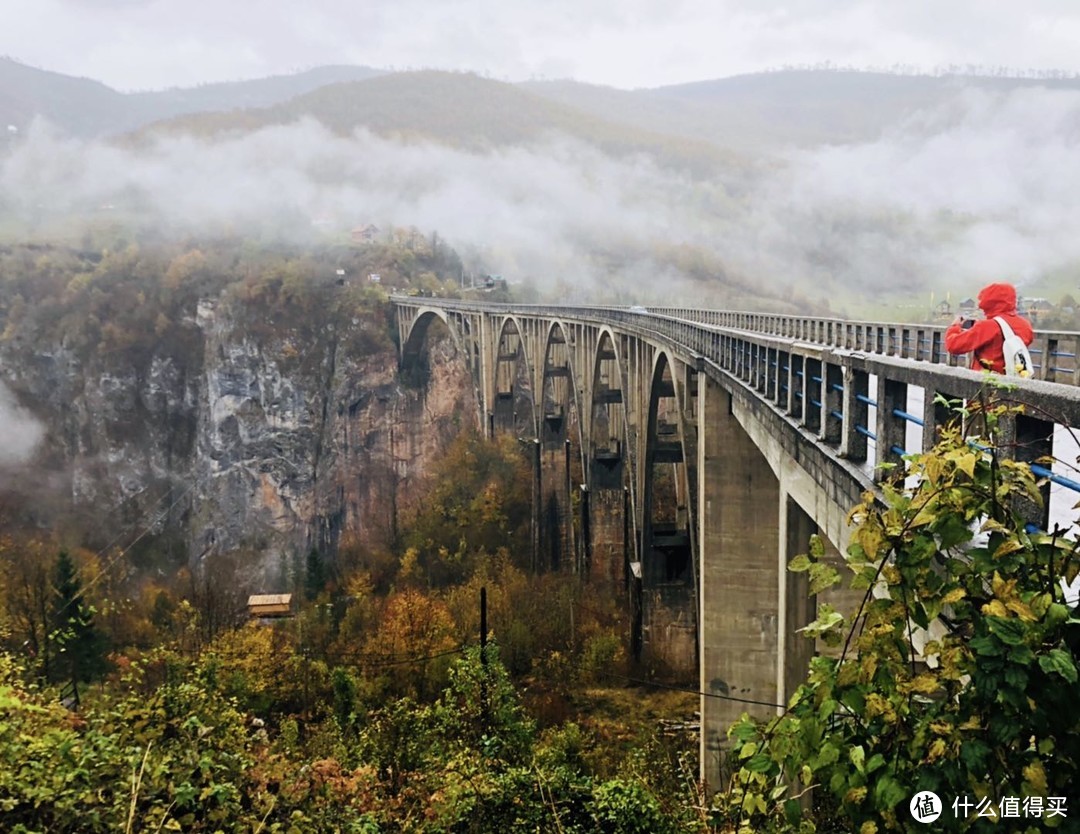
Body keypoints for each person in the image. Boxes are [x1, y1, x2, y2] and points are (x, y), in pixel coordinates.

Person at [944, 282, 1033, 374]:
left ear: (989, 301)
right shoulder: (1025, 325)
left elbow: (953, 345)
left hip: (987, 379)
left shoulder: (988, 326)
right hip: (1015, 377)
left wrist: (955, 327)